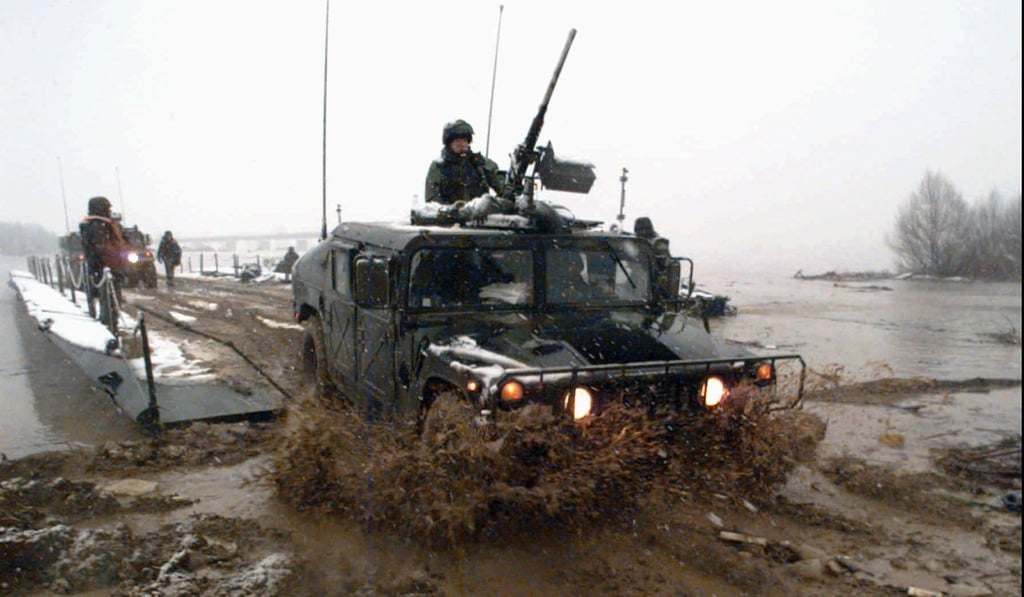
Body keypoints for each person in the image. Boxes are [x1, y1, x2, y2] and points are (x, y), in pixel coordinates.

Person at [424, 120, 506, 210]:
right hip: (448, 218)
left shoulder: (480, 164)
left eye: (464, 140)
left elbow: (502, 188)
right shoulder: (439, 167)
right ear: (449, 143)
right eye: (457, 141)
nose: (462, 144)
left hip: (478, 218)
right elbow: (432, 200)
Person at [79, 196, 126, 322]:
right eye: (107, 208)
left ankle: (110, 322)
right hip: (105, 268)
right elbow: (102, 248)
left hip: (107, 267)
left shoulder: (102, 225)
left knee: (111, 300)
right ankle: (109, 325)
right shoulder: (98, 226)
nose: (110, 211)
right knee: (109, 300)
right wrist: (114, 258)